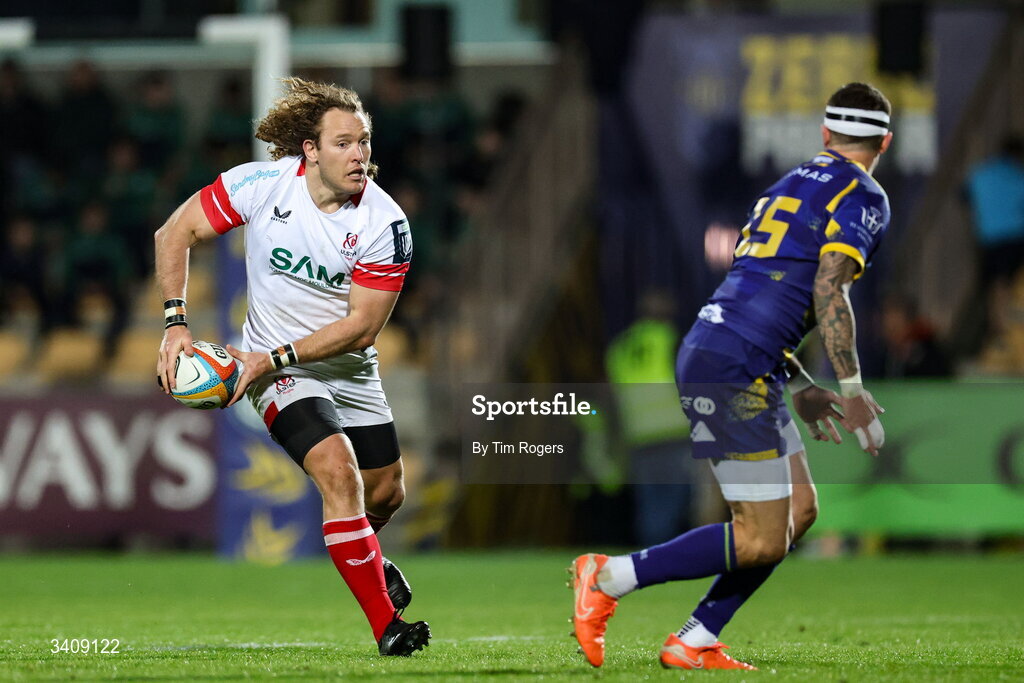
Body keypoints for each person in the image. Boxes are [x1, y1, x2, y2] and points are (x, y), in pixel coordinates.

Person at [571, 82, 892, 670]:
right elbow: (828, 289)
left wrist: (802, 386)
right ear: (885, 143)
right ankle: (609, 576)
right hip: (734, 365)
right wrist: (851, 389)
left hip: (737, 354)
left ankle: (694, 640)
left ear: (825, 135)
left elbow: (762, 297)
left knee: (799, 511)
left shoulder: (783, 187)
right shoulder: (864, 194)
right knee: (761, 537)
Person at [154, 78, 429, 656]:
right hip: (279, 369)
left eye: (365, 142)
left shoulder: (385, 223)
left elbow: (362, 328)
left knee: (386, 494)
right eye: (344, 143)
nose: (360, 155)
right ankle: (388, 627)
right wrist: (175, 322)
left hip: (344, 365)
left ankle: (372, 563)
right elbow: (174, 232)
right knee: (338, 469)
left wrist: (269, 357)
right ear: (310, 150)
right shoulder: (260, 184)